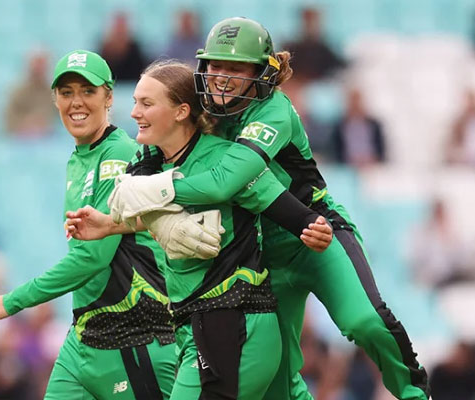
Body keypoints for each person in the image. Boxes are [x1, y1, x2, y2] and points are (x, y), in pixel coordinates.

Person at [106, 17, 430, 400]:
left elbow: (227, 182)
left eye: (236, 68)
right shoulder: (200, 110)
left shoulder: (273, 109)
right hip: (260, 255)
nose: (222, 77)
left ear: (261, 73)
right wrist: (124, 200)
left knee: (365, 321)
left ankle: (414, 393)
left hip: (314, 234)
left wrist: (151, 191)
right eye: (216, 66)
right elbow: (140, 166)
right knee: (281, 378)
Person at [68, 59, 335, 399]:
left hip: (238, 323)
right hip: (192, 327)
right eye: (135, 102)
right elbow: (129, 196)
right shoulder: (149, 162)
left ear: (181, 111)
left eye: (146, 103)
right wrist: (110, 225)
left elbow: (296, 216)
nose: (134, 112)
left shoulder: (225, 162)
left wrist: (315, 230)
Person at [0, 50, 217, 400]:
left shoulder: (118, 155)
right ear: (54, 98)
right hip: (84, 339)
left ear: (109, 97)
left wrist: (12, 302)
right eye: (66, 92)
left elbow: (92, 258)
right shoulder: (80, 159)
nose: (76, 102)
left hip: (133, 335)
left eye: (88, 91)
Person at [3, 49, 57, 138]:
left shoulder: (54, 93)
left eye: (42, 65)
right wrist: (27, 125)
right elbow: (7, 124)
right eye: (36, 64)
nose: (38, 69)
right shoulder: (17, 93)